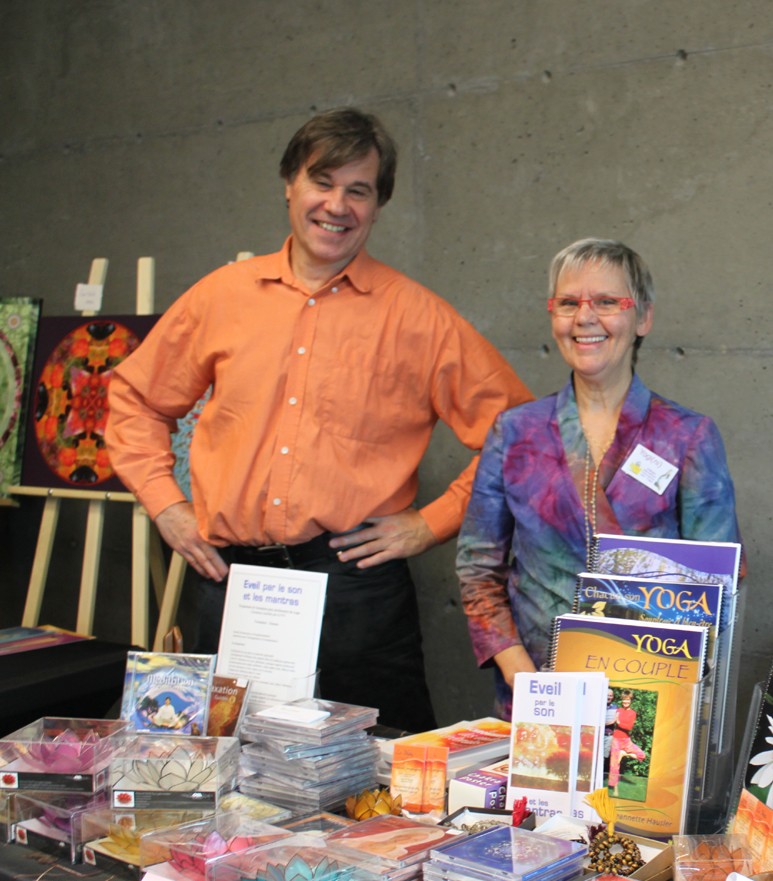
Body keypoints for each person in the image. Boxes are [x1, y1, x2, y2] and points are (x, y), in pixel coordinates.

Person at [109, 108, 533, 732]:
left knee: (381, 772)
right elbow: (134, 400)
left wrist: (431, 524)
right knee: (225, 765)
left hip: (355, 593)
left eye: (358, 190)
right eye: (322, 181)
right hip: (231, 583)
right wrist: (167, 506)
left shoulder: (418, 317)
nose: (337, 205)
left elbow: (521, 436)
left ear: (378, 205)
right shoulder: (220, 296)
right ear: (290, 185)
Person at [457, 238, 741, 718]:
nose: (584, 318)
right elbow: (477, 568)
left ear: (643, 318)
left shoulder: (686, 436)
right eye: (568, 303)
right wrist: (523, 676)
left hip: (648, 706)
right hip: (536, 697)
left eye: (607, 302)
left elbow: (718, 588)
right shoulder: (515, 432)